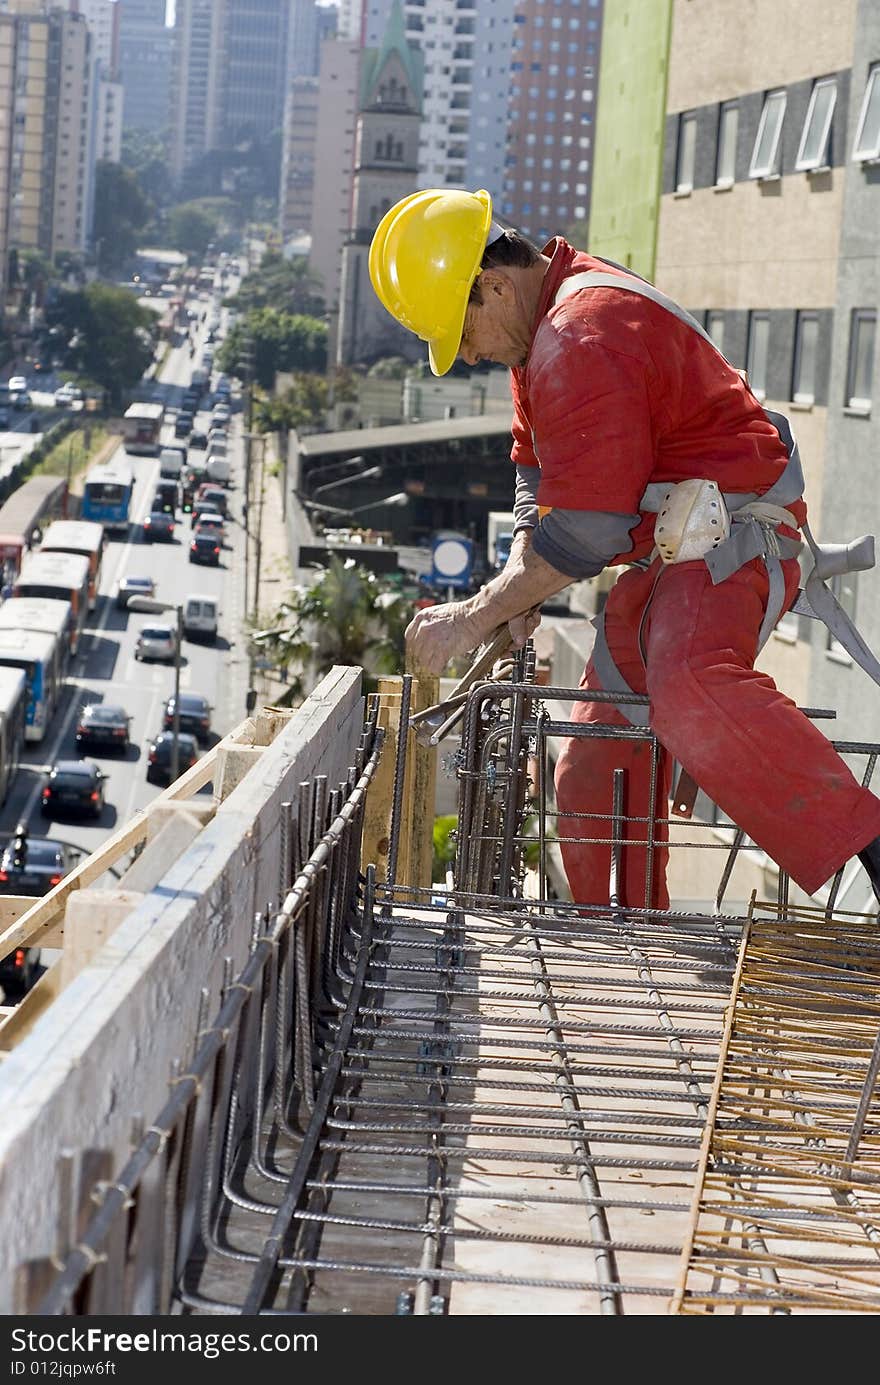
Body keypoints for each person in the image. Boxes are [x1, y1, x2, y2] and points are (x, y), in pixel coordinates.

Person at [368, 187, 880, 910]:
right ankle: (625, 932)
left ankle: (874, 848)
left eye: (465, 331)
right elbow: (535, 478)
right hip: (675, 552)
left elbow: (588, 530)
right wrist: (520, 581)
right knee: (589, 767)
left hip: (733, 538)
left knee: (689, 687)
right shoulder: (543, 330)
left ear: (495, 285)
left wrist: (477, 614)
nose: (473, 354)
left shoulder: (581, 333)